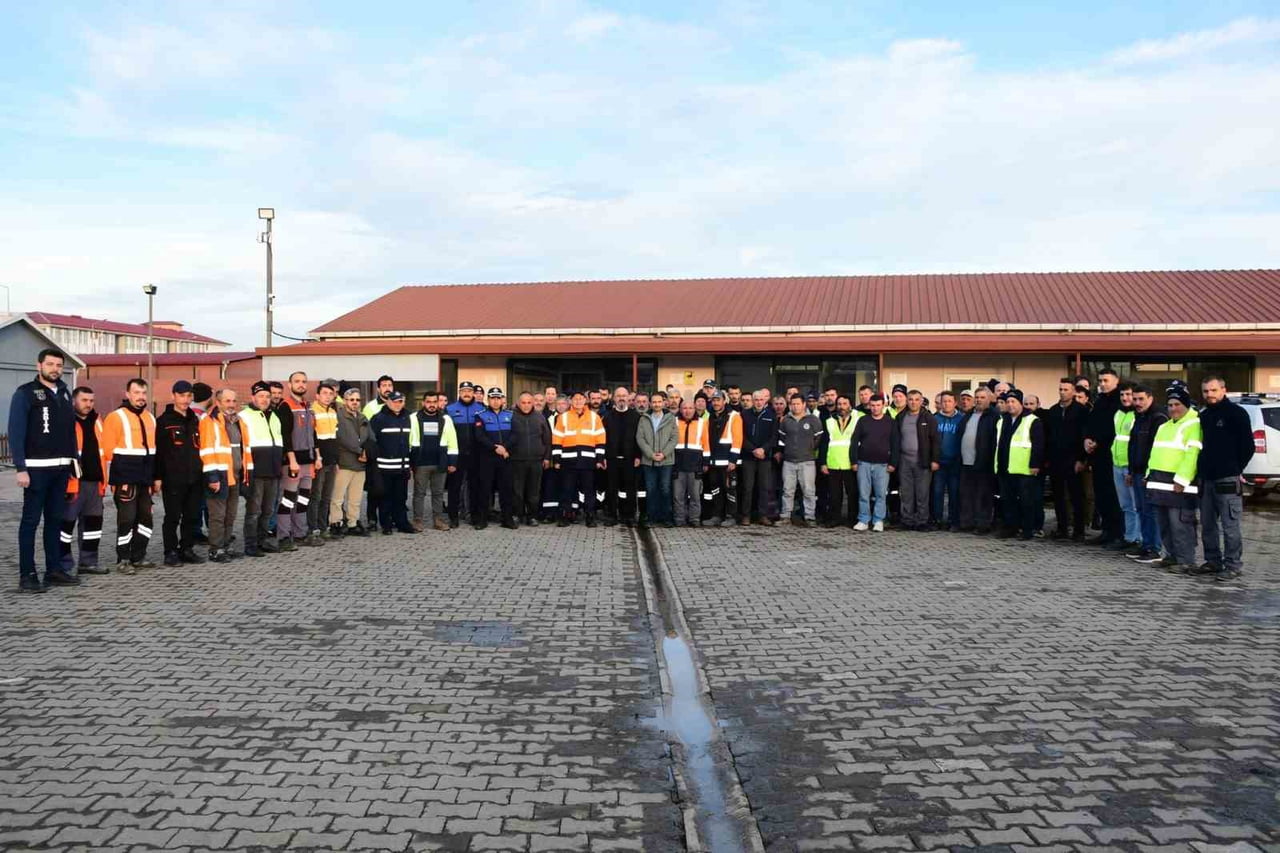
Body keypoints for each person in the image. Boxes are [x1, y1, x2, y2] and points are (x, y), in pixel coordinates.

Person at [11, 348, 78, 592]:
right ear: (39, 366)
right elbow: (16, 433)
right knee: (30, 522)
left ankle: (54, 570)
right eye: (50, 364)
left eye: (59, 365)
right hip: (36, 470)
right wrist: (21, 468)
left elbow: (70, 432)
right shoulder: (26, 394)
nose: (55, 369)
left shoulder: (64, 393)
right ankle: (27, 575)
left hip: (60, 469)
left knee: (55, 521)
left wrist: (73, 463)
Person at [1194, 375, 1254, 579]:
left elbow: (1248, 446)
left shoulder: (1236, 413)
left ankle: (1233, 565)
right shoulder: (1204, 416)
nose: (1209, 395)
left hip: (1227, 478)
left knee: (1230, 525)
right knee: (1208, 524)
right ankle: (1212, 561)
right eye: (1205, 391)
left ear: (1223, 390)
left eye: (1213, 390)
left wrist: (1235, 468)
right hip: (1206, 479)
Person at [101, 377, 159, 575]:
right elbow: (108, 450)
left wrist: (155, 478)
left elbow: (153, 451)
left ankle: (139, 556)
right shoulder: (116, 417)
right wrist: (115, 480)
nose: (141, 397)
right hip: (125, 477)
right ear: (127, 394)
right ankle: (123, 559)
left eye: (143, 393)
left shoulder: (150, 418)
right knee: (126, 520)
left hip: (145, 478)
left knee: (146, 520)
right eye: (136, 393)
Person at [1145, 382, 1201, 572]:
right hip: (1159, 482)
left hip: (1179, 485)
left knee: (1181, 524)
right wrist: (1148, 474)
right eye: (1170, 405)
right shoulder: (1165, 426)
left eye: (1177, 404)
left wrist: (1182, 479)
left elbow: (1192, 454)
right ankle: (1171, 556)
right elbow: (1155, 452)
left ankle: (1186, 560)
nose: (1173, 409)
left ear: (1185, 405)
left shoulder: (1194, 424)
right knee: (1165, 523)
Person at [154, 380, 205, 567]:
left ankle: (187, 549)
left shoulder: (194, 419)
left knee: (192, 516)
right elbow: (158, 452)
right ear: (173, 396)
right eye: (181, 395)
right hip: (172, 478)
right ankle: (170, 551)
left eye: (188, 396)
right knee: (172, 517)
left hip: (194, 477)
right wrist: (157, 477)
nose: (185, 400)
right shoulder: (163, 421)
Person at [59, 386, 106, 576]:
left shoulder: (97, 421)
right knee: (65, 526)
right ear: (74, 401)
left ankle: (88, 562)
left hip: (95, 482)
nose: (88, 404)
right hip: (73, 483)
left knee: (93, 526)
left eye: (91, 401)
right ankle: (63, 565)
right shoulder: (66, 421)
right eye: (84, 400)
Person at [239, 381, 285, 557]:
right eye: (261, 396)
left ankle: (262, 540)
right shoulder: (244, 416)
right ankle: (250, 545)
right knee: (254, 510)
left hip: (273, 470)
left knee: (268, 510)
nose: (265, 399)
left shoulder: (274, 416)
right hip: (255, 471)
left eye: (267, 396)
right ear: (253, 398)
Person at [199, 388, 245, 562]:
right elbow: (207, 450)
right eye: (227, 401)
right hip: (218, 474)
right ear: (217, 402)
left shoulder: (237, 421)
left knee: (230, 514)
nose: (231, 404)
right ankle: (215, 549)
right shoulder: (209, 421)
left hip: (235, 474)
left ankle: (225, 545)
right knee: (217, 515)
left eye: (234, 401)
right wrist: (212, 477)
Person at [276, 371, 319, 550]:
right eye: (297, 381)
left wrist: (318, 457)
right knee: (287, 500)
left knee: (303, 499)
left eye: (304, 381)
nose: (301, 384)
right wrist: (291, 460)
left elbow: (313, 433)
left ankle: (300, 533)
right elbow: (285, 436)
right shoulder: (285, 406)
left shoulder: (308, 406)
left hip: (308, 461)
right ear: (289, 384)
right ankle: (284, 537)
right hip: (293, 462)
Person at [994, 389, 1045, 540]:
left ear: (1020, 403)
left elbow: (1038, 445)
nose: (1010, 405)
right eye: (1008, 402)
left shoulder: (1032, 420)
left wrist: (1035, 464)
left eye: (1013, 402)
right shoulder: (1002, 420)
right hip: (1005, 467)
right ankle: (1011, 528)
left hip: (1024, 469)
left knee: (1026, 501)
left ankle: (1027, 530)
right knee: (1007, 500)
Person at [552, 391, 606, 527]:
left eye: (581, 399)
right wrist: (557, 460)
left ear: (585, 401)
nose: (578, 401)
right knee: (567, 490)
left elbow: (600, 439)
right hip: (568, 461)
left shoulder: (594, 417)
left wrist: (599, 459)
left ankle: (590, 516)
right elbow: (557, 440)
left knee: (589, 491)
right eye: (575, 399)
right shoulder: (563, 418)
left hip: (588, 462)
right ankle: (565, 515)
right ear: (570, 401)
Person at [1124, 384, 1166, 565]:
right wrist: (1131, 471)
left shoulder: (1158, 418)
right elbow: (1133, 446)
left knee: (1150, 512)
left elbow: (1155, 450)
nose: (1137, 403)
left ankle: (1154, 548)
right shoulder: (1138, 418)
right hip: (1137, 471)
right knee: (1141, 510)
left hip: (1149, 474)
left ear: (1150, 398)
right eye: (1135, 399)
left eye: (1141, 399)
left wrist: (1150, 473)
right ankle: (1146, 544)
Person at [1043, 377, 1088, 540]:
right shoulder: (1053, 411)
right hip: (1055, 460)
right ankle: (1062, 528)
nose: (1062, 392)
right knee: (1058, 496)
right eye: (1060, 389)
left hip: (1073, 459)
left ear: (1074, 391)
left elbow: (1084, 436)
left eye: (1066, 390)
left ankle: (1079, 530)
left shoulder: (1081, 411)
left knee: (1076, 496)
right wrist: (1047, 458)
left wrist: (1081, 459)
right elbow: (1048, 436)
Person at [1084, 368, 1124, 546]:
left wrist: (1098, 441)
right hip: (1097, 455)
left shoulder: (1120, 401)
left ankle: (1118, 533)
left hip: (1112, 454)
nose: (1102, 384)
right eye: (1100, 380)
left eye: (1106, 380)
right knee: (1102, 495)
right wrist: (1087, 439)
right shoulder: (1100, 400)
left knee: (1114, 496)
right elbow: (1092, 422)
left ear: (1116, 380)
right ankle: (1106, 531)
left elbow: (1114, 427)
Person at [370, 390, 417, 534]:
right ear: (388, 402)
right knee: (385, 498)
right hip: (384, 467)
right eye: (395, 401)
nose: (398, 404)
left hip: (402, 467)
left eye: (401, 401)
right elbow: (372, 442)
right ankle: (386, 525)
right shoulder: (378, 418)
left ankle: (402, 523)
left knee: (401, 498)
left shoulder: (408, 417)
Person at [411, 391, 458, 532]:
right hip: (420, 462)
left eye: (434, 402)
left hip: (440, 462)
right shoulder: (414, 418)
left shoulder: (446, 419)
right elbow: (409, 440)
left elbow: (452, 441)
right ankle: (417, 520)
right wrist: (409, 462)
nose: (431, 405)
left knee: (438, 493)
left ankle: (438, 520)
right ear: (424, 403)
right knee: (419, 493)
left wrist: (452, 462)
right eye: (428, 402)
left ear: (438, 403)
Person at [852, 393, 897, 531]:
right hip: (863, 463)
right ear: (869, 406)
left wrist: (893, 463)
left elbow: (895, 444)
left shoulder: (890, 422)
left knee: (880, 494)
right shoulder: (863, 421)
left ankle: (878, 520)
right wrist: (854, 461)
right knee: (863, 494)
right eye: (872, 406)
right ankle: (863, 520)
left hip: (883, 464)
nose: (875, 408)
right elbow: (854, 442)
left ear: (883, 406)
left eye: (878, 405)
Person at [776, 393, 823, 526]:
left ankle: (809, 517)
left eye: (798, 404)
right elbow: (782, 439)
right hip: (789, 461)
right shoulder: (786, 420)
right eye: (793, 404)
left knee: (808, 491)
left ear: (803, 404)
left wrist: (808, 448)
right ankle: (785, 516)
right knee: (787, 490)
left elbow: (818, 439)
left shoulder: (813, 420)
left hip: (807, 461)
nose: (795, 406)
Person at [473, 387, 517, 529]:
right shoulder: (480, 415)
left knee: (506, 490)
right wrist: (495, 448)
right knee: (484, 489)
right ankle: (482, 520)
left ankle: (507, 519)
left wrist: (505, 448)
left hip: (505, 458)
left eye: (498, 398)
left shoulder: (510, 415)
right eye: (493, 398)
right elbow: (479, 436)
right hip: (487, 458)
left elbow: (515, 435)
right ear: (488, 399)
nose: (496, 401)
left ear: (502, 399)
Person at [896, 390, 940, 531]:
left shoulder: (928, 418)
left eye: (916, 399)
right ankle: (907, 520)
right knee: (907, 493)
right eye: (910, 399)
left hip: (923, 461)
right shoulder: (900, 417)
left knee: (922, 493)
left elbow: (935, 440)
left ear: (921, 401)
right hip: (904, 461)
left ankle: (922, 521)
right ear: (907, 401)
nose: (913, 402)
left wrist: (934, 460)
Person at [957, 386, 998, 534]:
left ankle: (982, 525)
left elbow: (994, 441)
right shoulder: (968, 415)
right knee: (966, 494)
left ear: (989, 399)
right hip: (966, 462)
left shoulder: (993, 417)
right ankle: (967, 523)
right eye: (977, 397)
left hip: (983, 463)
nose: (979, 400)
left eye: (982, 397)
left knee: (983, 496)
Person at [445, 381, 486, 527]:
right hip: (457, 455)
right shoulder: (449, 409)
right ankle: (453, 517)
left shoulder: (481, 409)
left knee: (475, 486)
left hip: (476, 455)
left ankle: (474, 515)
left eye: (469, 390)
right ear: (459, 393)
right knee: (454, 487)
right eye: (464, 391)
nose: (467, 393)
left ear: (473, 393)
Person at [332, 387, 370, 537]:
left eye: (357, 400)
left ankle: (352, 523)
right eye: (351, 399)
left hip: (360, 464)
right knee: (337, 498)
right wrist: (360, 451)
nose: (355, 402)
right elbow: (344, 439)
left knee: (355, 498)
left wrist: (367, 452)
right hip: (344, 463)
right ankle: (335, 523)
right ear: (345, 401)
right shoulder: (339, 416)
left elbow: (370, 437)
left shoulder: (363, 417)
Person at [1107, 382, 1141, 552]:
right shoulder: (1118, 414)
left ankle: (1139, 539)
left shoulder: (1138, 415)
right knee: (1125, 505)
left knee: (1136, 505)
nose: (1125, 398)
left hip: (1130, 465)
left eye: (1128, 394)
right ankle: (1129, 537)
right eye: (1122, 395)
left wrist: (1132, 467)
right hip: (1117, 463)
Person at [602, 386, 642, 526]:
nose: (621, 398)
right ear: (614, 398)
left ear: (628, 398)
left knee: (629, 489)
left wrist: (638, 456)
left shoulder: (635, 416)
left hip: (630, 459)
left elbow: (639, 438)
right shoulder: (607, 417)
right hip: (611, 459)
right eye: (618, 396)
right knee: (611, 488)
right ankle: (612, 515)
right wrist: (603, 457)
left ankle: (628, 516)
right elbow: (602, 438)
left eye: (624, 396)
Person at [511, 391, 552, 526]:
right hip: (517, 460)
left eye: (529, 402)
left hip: (536, 460)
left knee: (533, 491)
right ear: (518, 403)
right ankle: (517, 514)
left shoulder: (540, 417)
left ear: (533, 403)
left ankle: (532, 516)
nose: (526, 405)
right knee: (517, 490)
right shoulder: (512, 416)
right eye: (523, 402)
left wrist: (547, 458)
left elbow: (547, 439)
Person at [738, 389, 779, 525]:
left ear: (765, 401)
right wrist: (753, 449)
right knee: (747, 487)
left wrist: (763, 449)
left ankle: (763, 515)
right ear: (752, 401)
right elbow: (741, 436)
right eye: (756, 400)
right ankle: (746, 516)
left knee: (764, 487)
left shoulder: (771, 415)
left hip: (764, 457)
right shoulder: (744, 415)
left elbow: (774, 437)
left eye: (761, 399)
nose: (759, 402)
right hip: (748, 456)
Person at [819, 394, 860, 527]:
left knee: (853, 494)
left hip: (851, 463)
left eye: (844, 404)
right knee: (834, 494)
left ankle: (852, 519)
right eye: (839, 404)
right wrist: (823, 462)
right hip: (833, 462)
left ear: (850, 405)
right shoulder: (829, 421)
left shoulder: (858, 419)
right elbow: (824, 443)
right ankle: (834, 519)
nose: (842, 407)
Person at [638, 390, 677, 527]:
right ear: (650, 403)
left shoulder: (671, 418)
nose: (656, 404)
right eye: (654, 402)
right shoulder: (644, 418)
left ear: (664, 403)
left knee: (665, 489)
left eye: (659, 401)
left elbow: (674, 438)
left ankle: (666, 517)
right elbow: (640, 438)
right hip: (649, 461)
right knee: (651, 489)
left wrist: (664, 453)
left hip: (666, 461)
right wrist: (651, 454)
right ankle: (651, 517)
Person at [703, 391, 742, 526]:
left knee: (730, 489)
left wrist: (733, 459)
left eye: (718, 400)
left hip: (728, 461)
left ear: (725, 401)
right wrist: (707, 460)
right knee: (716, 489)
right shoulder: (710, 416)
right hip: (714, 462)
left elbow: (738, 439)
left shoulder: (734, 416)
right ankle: (717, 515)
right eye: (713, 400)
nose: (716, 403)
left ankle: (731, 516)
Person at [308, 380, 340, 540]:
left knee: (327, 496)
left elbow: (334, 438)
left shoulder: (333, 412)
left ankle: (323, 527)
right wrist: (317, 457)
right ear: (317, 395)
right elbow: (312, 438)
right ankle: (313, 529)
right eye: (325, 394)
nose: (328, 397)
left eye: (331, 394)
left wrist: (337, 461)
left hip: (332, 461)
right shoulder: (312, 411)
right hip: (319, 461)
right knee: (316, 496)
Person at [672, 399, 710, 526]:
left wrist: (705, 462)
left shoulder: (701, 423)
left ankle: (694, 519)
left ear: (694, 409)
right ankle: (679, 519)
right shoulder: (674, 421)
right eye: (684, 408)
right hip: (678, 464)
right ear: (680, 409)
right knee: (678, 495)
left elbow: (706, 443)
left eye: (690, 408)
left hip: (695, 465)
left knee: (695, 495)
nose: (687, 411)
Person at [932, 391, 963, 530]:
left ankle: (953, 520)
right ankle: (937, 519)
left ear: (955, 403)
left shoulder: (962, 419)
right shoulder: (934, 419)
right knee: (937, 492)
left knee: (954, 492)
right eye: (944, 401)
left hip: (955, 463)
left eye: (949, 401)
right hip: (938, 463)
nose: (946, 404)